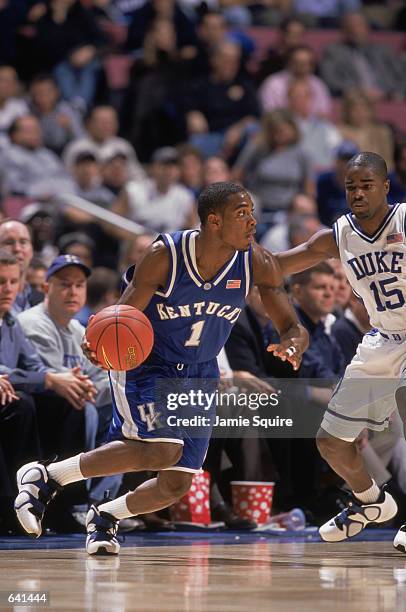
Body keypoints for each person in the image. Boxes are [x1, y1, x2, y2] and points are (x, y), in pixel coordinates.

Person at [15, 181, 309, 555]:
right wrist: (100, 344)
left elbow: (292, 326)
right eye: (242, 213)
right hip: (147, 361)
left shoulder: (256, 261)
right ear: (214, 221)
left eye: (252, 212)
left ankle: (105, 515)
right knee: (163, 450)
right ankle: (49, 476)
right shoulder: (166, 255)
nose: (253, 221)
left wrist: (294, 343)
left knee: (176, 484)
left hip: (200, 371)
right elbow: (123, 316)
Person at [275, 151, 406, 553]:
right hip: (383, 339)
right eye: (352, 186)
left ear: (385, 186)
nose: (359, 193)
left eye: (367, 185)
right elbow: (280, 264)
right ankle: (370, 502)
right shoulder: (340, 235)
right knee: (331, 441)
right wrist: (225, 261)